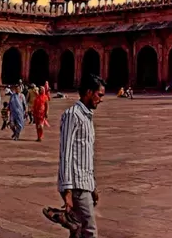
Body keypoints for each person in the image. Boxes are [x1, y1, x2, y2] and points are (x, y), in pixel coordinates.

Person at [50, 73, 105, 238]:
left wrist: (92, 186)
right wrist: (67, 190)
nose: (101, 99)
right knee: (90, 231)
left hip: (84, 183)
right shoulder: (73, 115)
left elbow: (86, 155)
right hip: (76, 185)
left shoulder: (87, 117)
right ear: (89, 92)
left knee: (79, 230)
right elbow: (65, 152)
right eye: (99, 94)